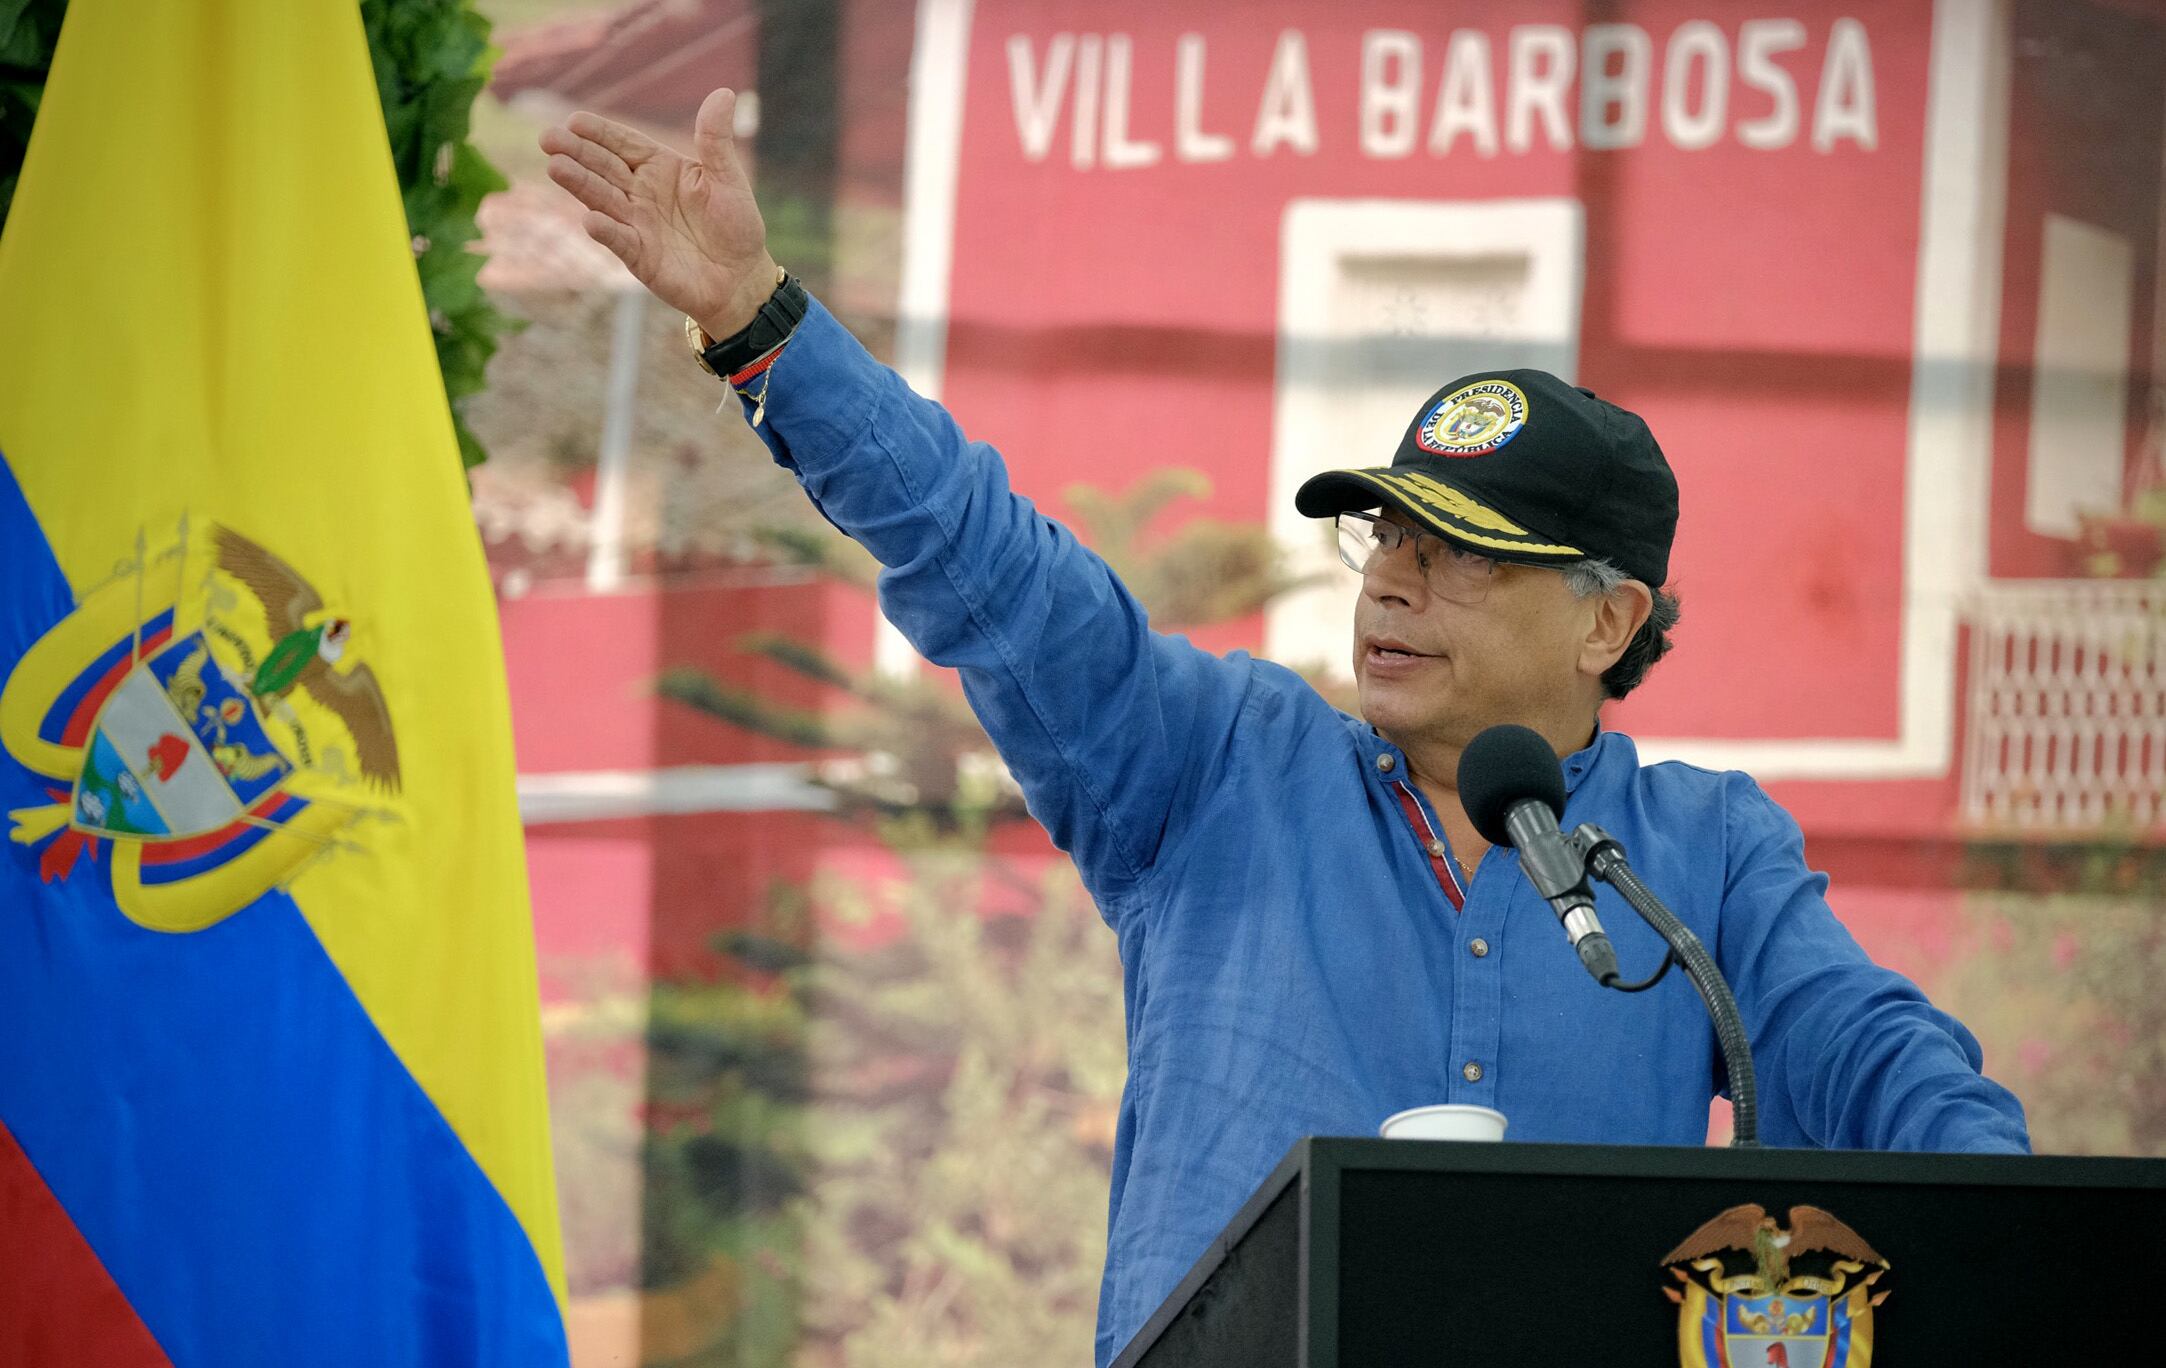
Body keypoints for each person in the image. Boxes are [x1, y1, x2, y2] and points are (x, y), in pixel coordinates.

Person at [540, 89, 2030, 1366]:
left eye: (1459, 557)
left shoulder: (1700, 852)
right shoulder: (1217, 763)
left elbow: (1875, 1062)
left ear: (1606, 622)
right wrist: (763, 325)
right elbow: (991, 561)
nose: (1392, 582)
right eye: (1386, 540)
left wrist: (2042, 1254)